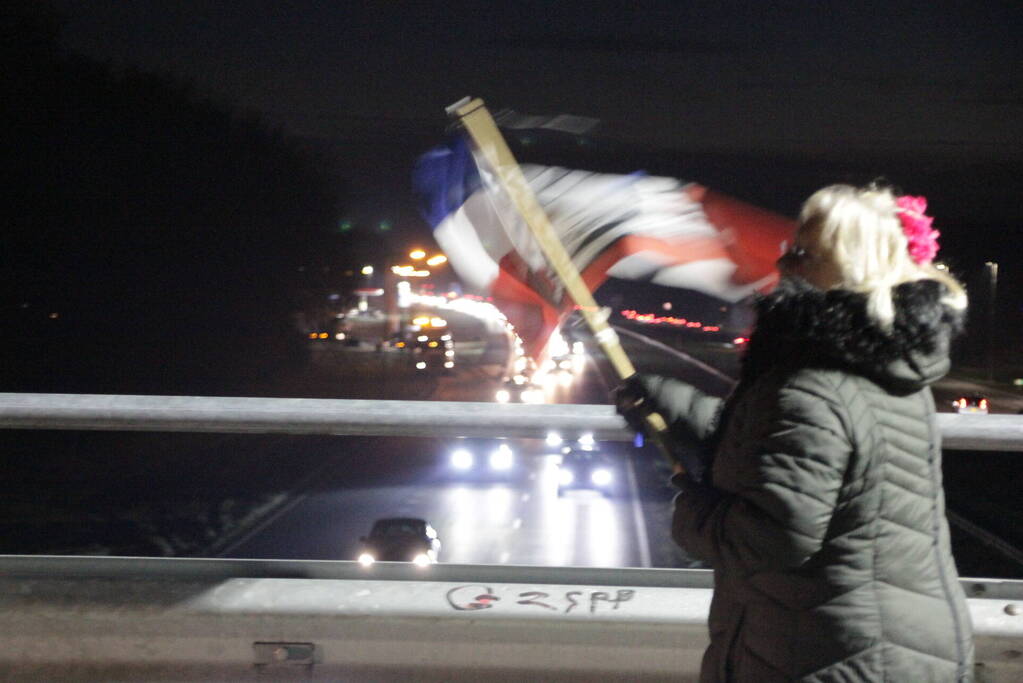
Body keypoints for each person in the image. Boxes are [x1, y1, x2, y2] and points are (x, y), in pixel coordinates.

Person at [616, 184, 974, 682]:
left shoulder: (812, 383)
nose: (784, 266)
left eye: (802, 253)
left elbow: (772, 535)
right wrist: (675, 406)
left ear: (842, 266)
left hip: (837, 653)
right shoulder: (884, 369)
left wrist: (691, 512)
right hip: (882, 643)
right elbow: (783, 456)